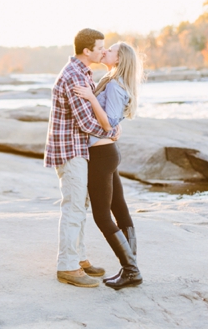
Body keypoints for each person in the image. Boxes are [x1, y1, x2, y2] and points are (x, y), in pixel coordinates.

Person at [44, 28, 121, 288]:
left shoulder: (84, 73)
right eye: (100, 47)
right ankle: (67, 266)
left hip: (79, 151)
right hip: (70, 151)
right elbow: (86, 121)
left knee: (81, 206)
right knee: (74, 207)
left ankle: (79, 259)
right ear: (87, 51)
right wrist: (110, 132)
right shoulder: (74, 76)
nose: (103, 50)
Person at [73, 41, 144, 289]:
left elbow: (110, 122)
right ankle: (131, 268)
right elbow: (113, 124)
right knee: (120, 210)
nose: (105, 52)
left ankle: (131, 270)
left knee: (102, 216)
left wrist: (91, 97)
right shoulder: (111, 80)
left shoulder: (114, 85)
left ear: (120, 58)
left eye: (110, 50)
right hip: (107, 153)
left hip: (102, 156)